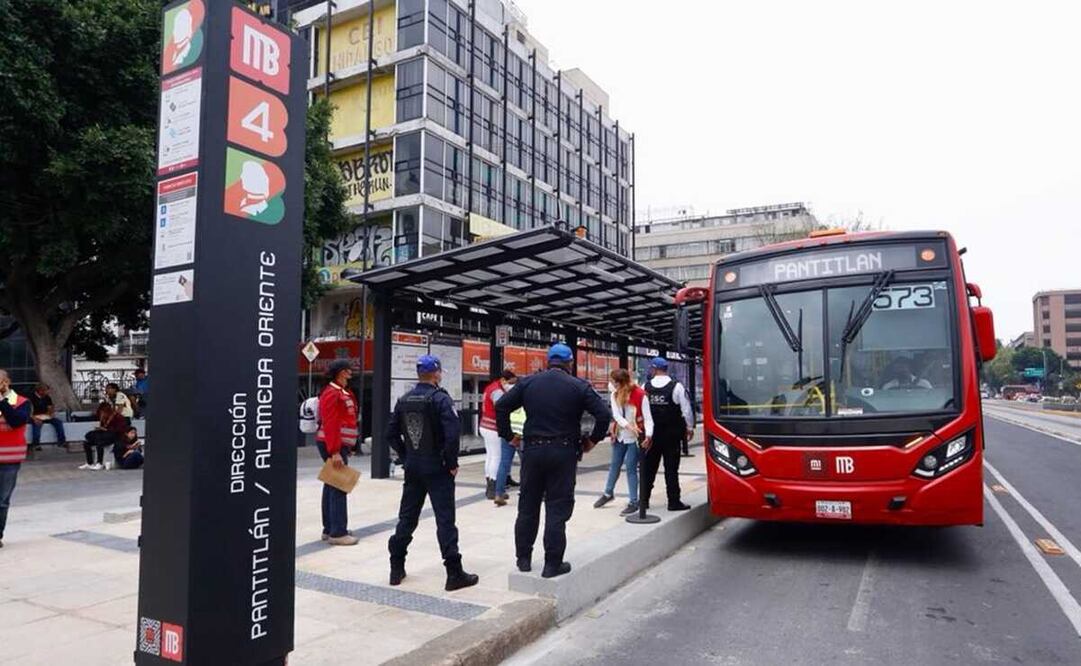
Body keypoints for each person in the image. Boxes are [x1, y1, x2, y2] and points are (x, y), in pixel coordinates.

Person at [496, 343, 611, 578]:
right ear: (569, 363)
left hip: (533, 452)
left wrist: (510, 436)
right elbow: (603, 414)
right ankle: (552, 564)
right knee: (557, 507)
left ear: (548, 362)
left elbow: (501, 406)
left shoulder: (528, 383)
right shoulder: (579, 386)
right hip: (564, 452)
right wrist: (592, 441)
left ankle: (524, 559)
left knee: (528, 506)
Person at [386, 355, 478, 591]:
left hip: (414, 467)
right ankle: (454, 572)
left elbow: (391, 434)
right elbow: (451, 434)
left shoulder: (404, 400)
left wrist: (406, 456)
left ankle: (396, 566)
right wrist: (451, 462)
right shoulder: (440, 399)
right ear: (436, 373)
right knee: (445, 519)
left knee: (407, 517)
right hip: (437, 467)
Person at [595, 368, 652, 516]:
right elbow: (616, 415)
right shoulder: (615, 395)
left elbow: (648, 418)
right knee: (615, 464)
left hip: (635, 438)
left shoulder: (640, 395)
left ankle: (634, 501)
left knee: (631, 467)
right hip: (621, 434)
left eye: (614, 381)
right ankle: (608, 493)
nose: (611, 384)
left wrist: (649, 435)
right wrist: (628, 426)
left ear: (620, 382)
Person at [316, 360, 360, 546]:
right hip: (332, 445)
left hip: (338, 445)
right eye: (349, 371)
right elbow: (331, 423)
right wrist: (334, 452)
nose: (351, 374)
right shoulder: (332, 393)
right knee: (339, 486)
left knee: (331, 484)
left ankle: (330, 528)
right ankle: (338, 532)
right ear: (342, 372)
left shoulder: (340, 392)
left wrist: (346, 448)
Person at [642, 358, 694, 512]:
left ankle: (643, 501)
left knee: (649, 469)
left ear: (653, 369)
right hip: (672, 435)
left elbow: (640, 408)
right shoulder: (677, 387)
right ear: (666, 369)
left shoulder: (645, 386)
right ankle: (673, 501)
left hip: (651, 435)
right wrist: (689, 428)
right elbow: (687, 410)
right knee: (671, 469)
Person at [0, 369, 31, 548]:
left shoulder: (21, 402)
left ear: (7, 382)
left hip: (9, 459)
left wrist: (2, 403)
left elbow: (16, 421)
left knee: (2, 500)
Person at [479, 370, 517, 499]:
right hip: (493, 427)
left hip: (484, 425)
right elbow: (501, 408)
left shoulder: (490, 387)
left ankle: (490, 482)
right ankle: (494, 486)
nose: (512, 385)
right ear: (503, 380)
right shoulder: (498, 391)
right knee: (497, 457)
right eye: (511, 382)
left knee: (490, 456)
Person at [493, 405, 527, 507]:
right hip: (523, 434)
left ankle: (499, 494)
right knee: (526, 464)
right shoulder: (528, 395)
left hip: (509, 433)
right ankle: (524, 493)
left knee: (504, 463)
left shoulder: (510, 398)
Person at [83, 403, 126, 470]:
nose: (102, 414)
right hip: (105, 435)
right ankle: (90, 463)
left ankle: (99, 463)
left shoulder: (118, 417)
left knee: (99, 443)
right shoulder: (103, 417)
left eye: (103, 412)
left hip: (115, 436)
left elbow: (119, 430)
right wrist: (101, 428)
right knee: (86, 442)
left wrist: (106, 429)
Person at [28, 384, 66, 452]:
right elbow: (29, 411)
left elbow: (50, 408)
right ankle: (36, 444)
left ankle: (61, 441)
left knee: (58, 422)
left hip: (45, 415)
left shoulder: (47, 397)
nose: (47, 392)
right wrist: (35, 418)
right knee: (37, 425)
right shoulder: (31, 398)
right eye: (46, 391)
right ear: (40, 391)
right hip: (34, 416)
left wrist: (50, 414)